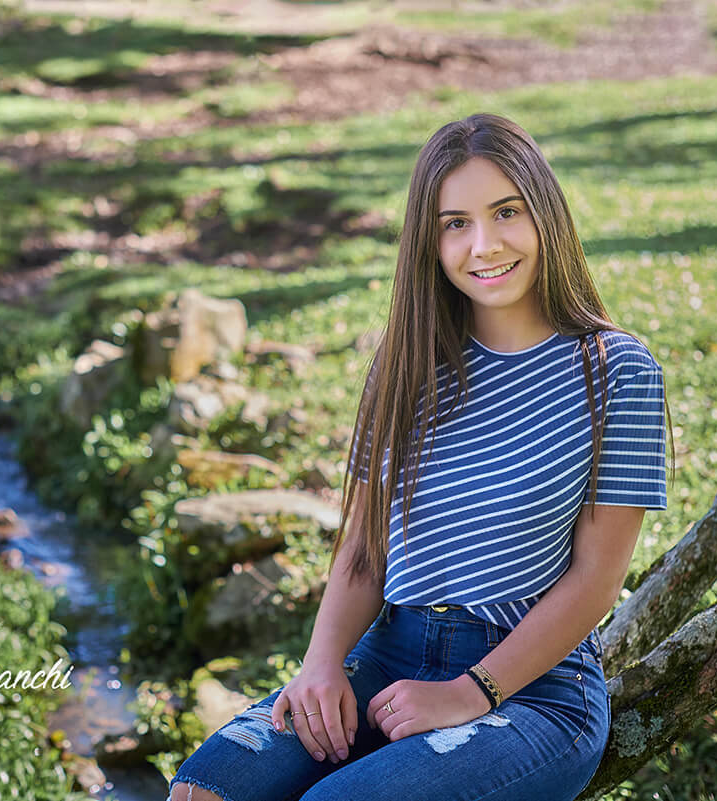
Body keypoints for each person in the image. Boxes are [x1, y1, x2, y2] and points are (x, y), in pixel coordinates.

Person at [167, 112, 672, 801]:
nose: (484, 244)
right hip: (386, 655)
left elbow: (595, 579)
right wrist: (321, 664)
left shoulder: (616, 371)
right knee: (202, 791)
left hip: (533, 691)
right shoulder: (406, 364)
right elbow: (364, 545)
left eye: (506, 212)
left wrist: (472, 690)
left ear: (545, 213)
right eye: (455, 223)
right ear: (429, 242)